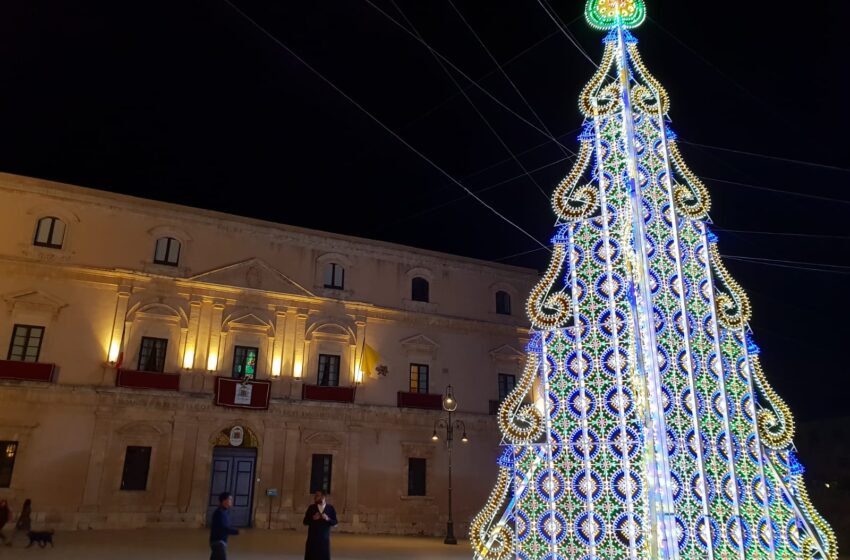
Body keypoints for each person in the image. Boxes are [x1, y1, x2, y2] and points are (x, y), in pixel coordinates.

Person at [303, 490, 337, 560]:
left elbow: (335, 523)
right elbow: (305, 522)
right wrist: (313, 518)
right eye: (315, 495)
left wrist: (328, 519)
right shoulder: (311, 508)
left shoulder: (330, 508)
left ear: (323, 497)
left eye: (317, 495)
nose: (314, 497)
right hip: (312, 539)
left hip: (324, 540)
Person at [209, 492, 239, 560]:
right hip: (218, 543)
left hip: (220, 542)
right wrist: (237, 531)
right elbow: (224, 528)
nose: (231, 501)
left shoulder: (225, 512)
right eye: (230, 499)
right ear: (224, 501)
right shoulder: (219, 513)